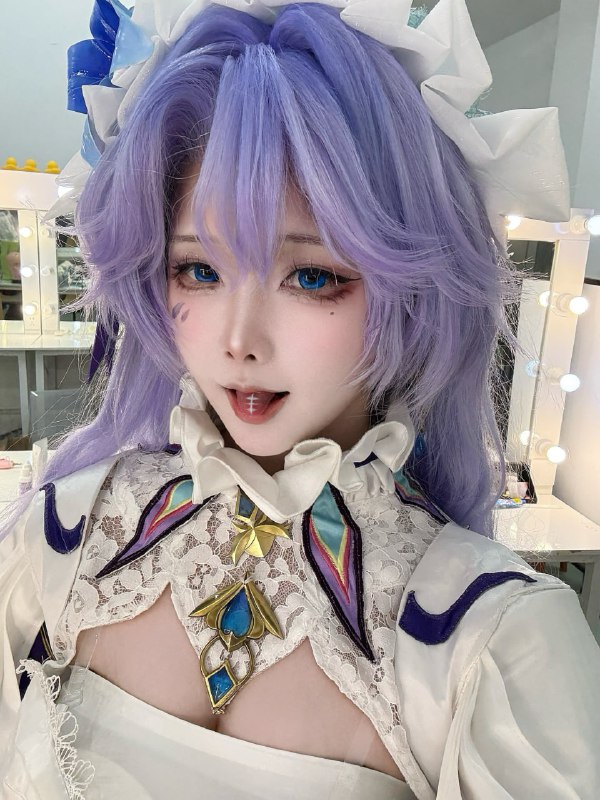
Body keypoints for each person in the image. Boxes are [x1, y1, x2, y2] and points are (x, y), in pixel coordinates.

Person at [1, 0, 599, 797]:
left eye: (312, 276)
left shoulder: (489, 641)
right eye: (199, 271)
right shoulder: (60, 538)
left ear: (412, 293)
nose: (240, 340)